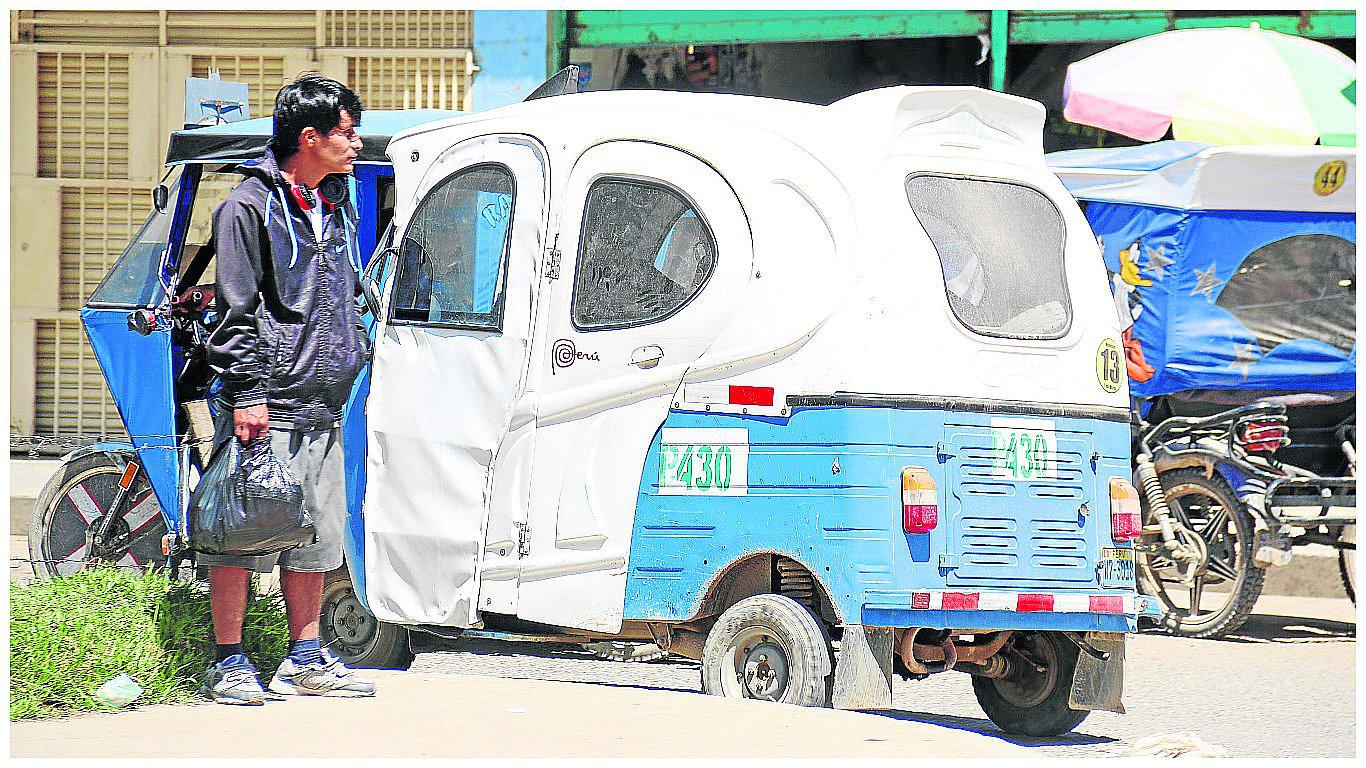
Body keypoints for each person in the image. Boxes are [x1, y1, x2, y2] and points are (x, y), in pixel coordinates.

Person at [200, 74, 374, 705]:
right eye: (346, 133)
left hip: (322, 401)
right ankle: (230, 662)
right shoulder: (248, 208)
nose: (355, 145)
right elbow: (236, 308)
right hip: (265, 403)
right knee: (241, 533)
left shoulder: (335, 204)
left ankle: (304, 657)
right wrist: (247, 393)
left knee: (316, 536)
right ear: (311, 137)